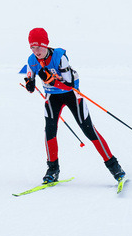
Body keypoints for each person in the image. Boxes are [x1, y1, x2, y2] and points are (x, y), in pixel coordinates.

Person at [24, 26, 126, 185]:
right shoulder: (31, 60)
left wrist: (50, 79)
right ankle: (52, 170)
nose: (36, 51)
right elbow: (30, 76)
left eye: (39, 47)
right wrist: (30, 84)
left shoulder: (60, 57)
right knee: (49, 131)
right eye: (32, 47)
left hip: (72, 96)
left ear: (46, 45)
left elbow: (68, 84)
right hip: (52, 97)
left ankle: (115, 167)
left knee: (89, 131)